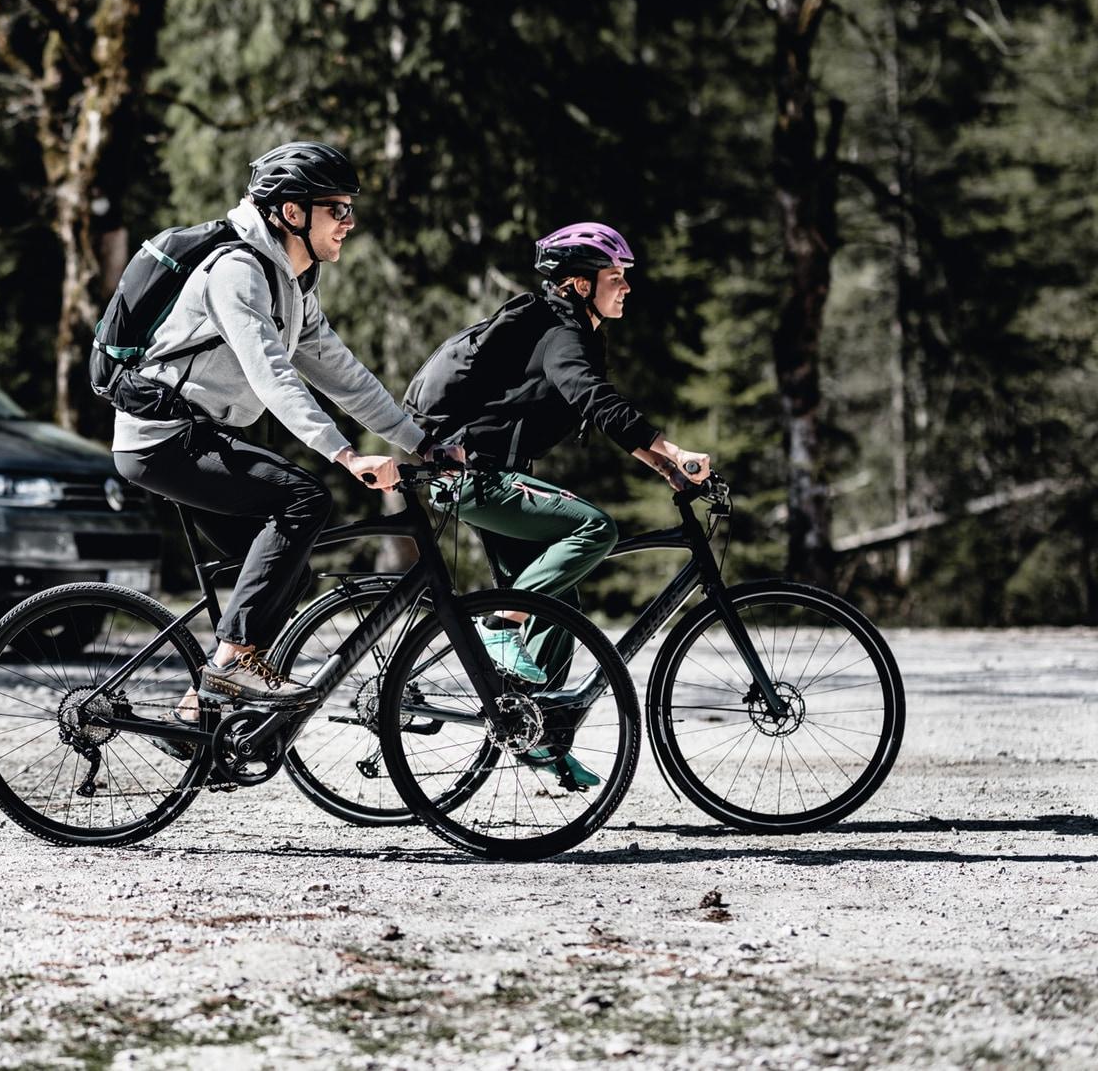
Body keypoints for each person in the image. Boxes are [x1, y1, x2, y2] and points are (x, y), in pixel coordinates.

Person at [112, 141, 430, 706]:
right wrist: (344, 455)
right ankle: (234, 663)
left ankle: (199, 712)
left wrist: (421, 442)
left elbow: (342, 376)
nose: (349, 223)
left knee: (292, 577)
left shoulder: (292, 282)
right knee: (304, 500)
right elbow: (271, 374)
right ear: (292, 212)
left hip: (196, 437)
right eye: (338, 209)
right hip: (161, 440)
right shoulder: (238, 270)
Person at [419, 222, 710, 735]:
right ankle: (500, 624)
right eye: (614, 276)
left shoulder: (573, 333)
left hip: (483, 476)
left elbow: (601, 412)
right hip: (476, 476)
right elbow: (593, 399)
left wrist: (669, 470)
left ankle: (541, 736)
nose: (626, 286)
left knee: (558, 602)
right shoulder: (561, 333)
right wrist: (674, 449)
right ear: (580, 284)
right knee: (595, 530)